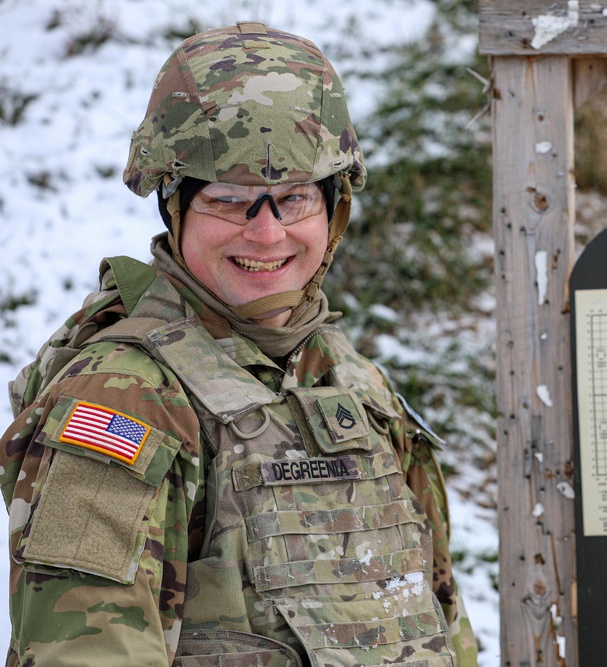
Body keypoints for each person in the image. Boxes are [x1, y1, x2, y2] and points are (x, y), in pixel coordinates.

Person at [0, 22, 478, 666]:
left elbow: (440, 622)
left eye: (294, 198)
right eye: (229, 201)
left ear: (333, 212)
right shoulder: (126, 398)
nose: (267, 234)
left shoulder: (351, 382)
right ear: (176, 208)